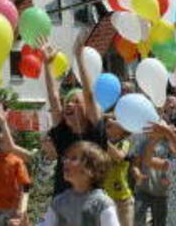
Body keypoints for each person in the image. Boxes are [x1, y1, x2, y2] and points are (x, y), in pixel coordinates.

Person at [40, 35, 107, 195]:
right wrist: (47, 64)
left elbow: (89, 95)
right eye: (68, 102)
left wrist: (78, 57)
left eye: (76, 102)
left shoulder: (95, 132)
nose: (69, 104)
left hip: (90, 201)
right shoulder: (62, 131)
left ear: (86, 109)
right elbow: (53, 97)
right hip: (63, 199)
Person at [39, 141, 119, 225]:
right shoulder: (59, 201)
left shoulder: (101, 203)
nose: (66, 162)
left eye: (73, 158)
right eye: (65, 158)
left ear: (91, 170)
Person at [131, 132, 169, 226]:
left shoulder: (169, 144)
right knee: (137, 220)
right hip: (143, 189)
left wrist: (168, 178)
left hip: (162, 192)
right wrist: (137, 173)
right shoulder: (142, 142)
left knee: (160, 222)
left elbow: (173, 165)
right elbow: (135, 165)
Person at [103, 115, 134, 226]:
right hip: (103, 197)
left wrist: (102, 139)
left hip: (122, 199)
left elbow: (119, 156)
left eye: (115, 119)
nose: (109, 120)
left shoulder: (125, 143)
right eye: (107, 120)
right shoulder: (100, 143)